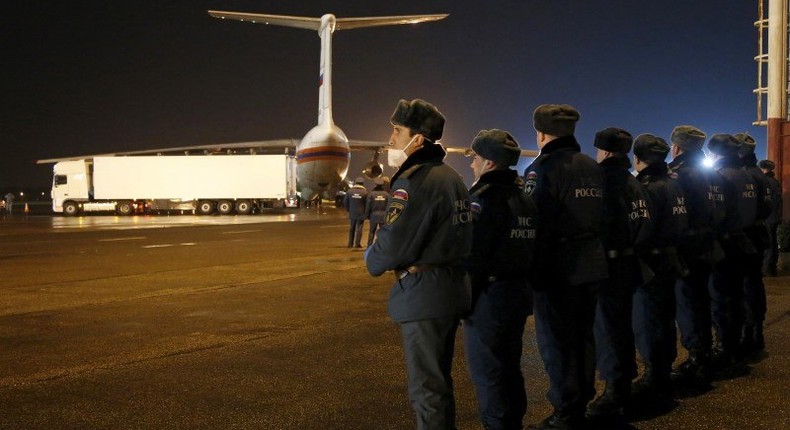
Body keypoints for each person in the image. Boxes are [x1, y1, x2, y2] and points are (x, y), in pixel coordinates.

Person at [365, 98, 473, 430]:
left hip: (424, 295)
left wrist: (371, 256)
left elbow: (391, 245)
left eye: (397, 131)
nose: (391, 140)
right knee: (439, 383)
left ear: (418, 139)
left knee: (426, 389)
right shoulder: (451, 177)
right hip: (449, 288)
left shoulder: (414, 181)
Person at [523, 104, 608, 430]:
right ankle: (581, 401)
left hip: (558, 268)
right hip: (592, 262)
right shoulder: (590, 166)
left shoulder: (542, 168)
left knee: (557, 342)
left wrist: (533, 270)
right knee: (584, 337)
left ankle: (565, 412)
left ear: (541, 133)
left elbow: (536, 222)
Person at [463, 129, 538, 430]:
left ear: (489, 164)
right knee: (510, 365)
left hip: (489, 299)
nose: (472, 165)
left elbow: (472, 256)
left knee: (488, 371)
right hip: (518, 293)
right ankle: (513, 422)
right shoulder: (525, 199)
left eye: (476, 159)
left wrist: (462, 302)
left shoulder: (482, 200)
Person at [586, 128, 652, 423]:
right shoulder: (634, 183)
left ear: (603, 151)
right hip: (628, 263)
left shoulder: (599, 182)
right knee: (622, 327)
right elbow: (643, 225)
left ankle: (615, 391)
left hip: (605, 267)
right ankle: (622, 384)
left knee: (608, 329)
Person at [631, 134, 689, 409]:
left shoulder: (647, 187)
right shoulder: (673, 183)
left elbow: (643, 229)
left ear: (638, 158)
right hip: (671, 258)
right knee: (665, 319)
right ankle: (663, 371)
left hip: (652, 263)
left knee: (649, 321)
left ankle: (654, 377)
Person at [667, 125, 722, 391]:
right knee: (702, 303)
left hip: (688, 249)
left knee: (688, 305)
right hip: (708, 245)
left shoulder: (679, 175)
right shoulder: (710, 174)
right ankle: (705, 354)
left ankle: (696, 360)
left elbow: (677, 216)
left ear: (676, 147)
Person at [706, 133, 758, 377]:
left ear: (715, 153)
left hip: (726, 244)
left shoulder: (721, 177)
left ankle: (724, 349)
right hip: (744, 242)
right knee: (737, 297)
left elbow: (716, 213)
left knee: (721, 298)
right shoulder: (747, 174)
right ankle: (736, 346)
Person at [735, 133, 772, 357]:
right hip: (758, 235)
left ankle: (746, 334)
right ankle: (756, 331)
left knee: (743, 286)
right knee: (755, 284)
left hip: (744, 237)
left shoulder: (744, 176)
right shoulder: (760, 174)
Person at [758, 159, 782, 276]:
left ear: (763, 169)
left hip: (767, 217)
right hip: (775, 216)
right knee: (773, 242)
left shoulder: (765, 181)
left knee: (768, 243)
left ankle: (766, 268)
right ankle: (772, 267)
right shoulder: (776, 182)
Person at [343, 177, 368, 248]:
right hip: (361, 213)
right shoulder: (365, 192)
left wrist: (349, 210)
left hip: (352, 213)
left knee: (352, 228)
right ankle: (357, 244)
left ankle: (350, 243)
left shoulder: (349, 192)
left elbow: (345, 202)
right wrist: (366, 212)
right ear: (362, 183)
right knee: (359, 229)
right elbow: (367, 204)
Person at [365, 177, 389, 246]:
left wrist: (367, 215)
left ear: (375, 184)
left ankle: (369, 245)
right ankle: (382, 245)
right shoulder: (386, 194)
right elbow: (388, 206)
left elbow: (368, 206)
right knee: (383, 232)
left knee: (371, 232)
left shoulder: (371, 194)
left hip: (373, 216)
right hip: (383, 216)